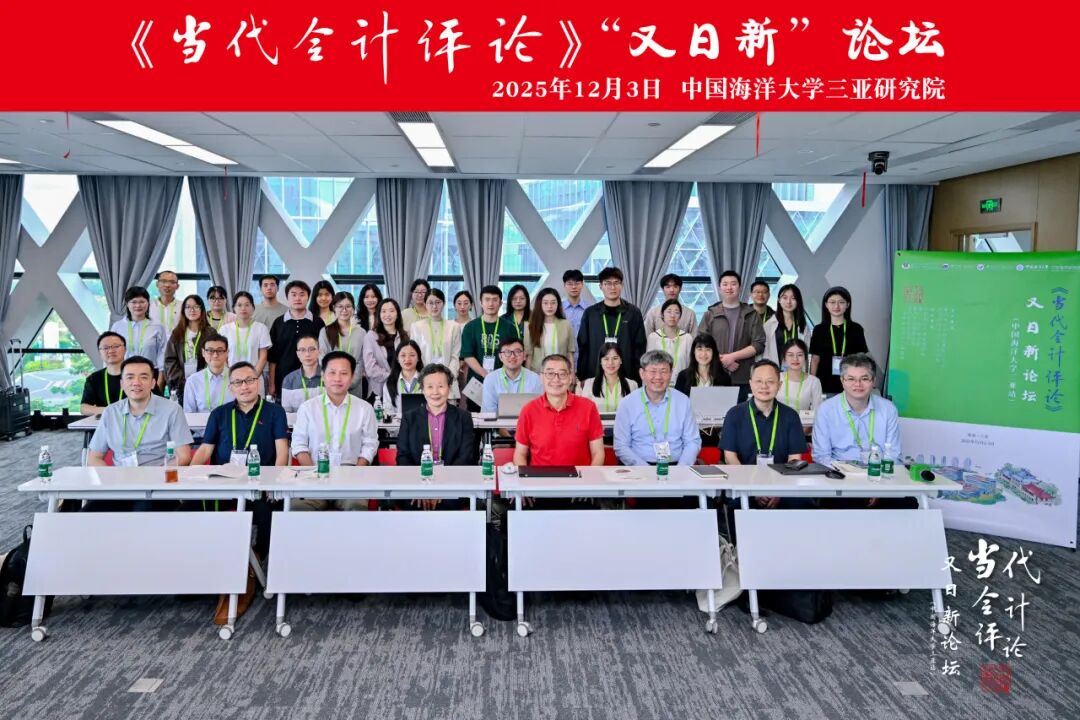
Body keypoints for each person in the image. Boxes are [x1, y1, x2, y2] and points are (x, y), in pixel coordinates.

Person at [812, 353, 905, 509]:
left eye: (864, 378)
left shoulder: (888, 409)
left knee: (906, 503)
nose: (858, 384)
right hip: (841, 479)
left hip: (879, 476)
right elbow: (822, 457)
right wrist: (850, 483)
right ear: (842, 381)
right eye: (851, 379)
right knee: (841, 503)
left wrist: (879, 486)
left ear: (873, 381)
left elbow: (894, 454)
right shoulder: (826, 410)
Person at [290, 351, 378, 511]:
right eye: (332, 373)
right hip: (314, 474)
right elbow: (298, 444)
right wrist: (313, 474)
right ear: (323, 376)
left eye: (344, 373)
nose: (337, 378)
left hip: (350, 476)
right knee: (298, 508)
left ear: (352, 377)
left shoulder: (365, 409)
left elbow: (370, 445)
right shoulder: (308, 408)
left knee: (356, 508)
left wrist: (356, 474)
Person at [720, 360, 810, 510]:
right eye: (759, 381)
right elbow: (730, 458)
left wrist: (780, 490)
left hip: (782, 486)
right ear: (750, 384)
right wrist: (752, 490)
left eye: (770, 382)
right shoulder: (734, 414)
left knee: (803, 504)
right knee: (735, 506)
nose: (764, 386)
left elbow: (794, 459)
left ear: (779, 385)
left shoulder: (790, 416)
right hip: (744, 486)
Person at [87, 355, 194, 469]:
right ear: (122, 384)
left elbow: (184, 456)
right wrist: (112, 477)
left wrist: (157, 475)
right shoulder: (111, 412)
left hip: (158, 475)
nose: (136, 383)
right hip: (121, 476)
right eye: (130, 377)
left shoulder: (172, 410)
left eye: (143, 377)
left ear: (153, 383)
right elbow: (94, 457)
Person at [191, 361, 289, 467]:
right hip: (224, 475)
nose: (244, 387)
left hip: (262, 474)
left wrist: (275, 476)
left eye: (249, 380)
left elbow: (282, 452)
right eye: (238, 382)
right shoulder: (218, 414)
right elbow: (205, 449)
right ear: (231, 388)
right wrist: (190, 473)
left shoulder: (276, 412)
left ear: (258, 382)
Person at [514, 354, 604, 467]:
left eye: (562, 374)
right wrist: (525, 477)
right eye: (550, 373)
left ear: (570, 377)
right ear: (541, 378)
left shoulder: (588, 408)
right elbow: (520, 454)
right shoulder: (528, 410)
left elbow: (598, 453)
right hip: (539, 477)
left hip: (580, 477)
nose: (556, 379)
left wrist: (589, 477)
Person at [613, 350, 701, 467]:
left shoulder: (683, 401)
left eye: (663, 371)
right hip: (638, 468)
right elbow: (621, 445)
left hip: (676, 466)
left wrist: (681, 469)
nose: (658, 377)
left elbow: (692, 441)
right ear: (642, 373)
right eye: (653, 371)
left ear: (671, 373)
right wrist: (645, 470)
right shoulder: (627, 404)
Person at [697, 270, 766, 400]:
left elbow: (759, 344)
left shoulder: (752, 314)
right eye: (725, 284)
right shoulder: (710, 314)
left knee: (741, 412)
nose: (729, 287)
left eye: (733, 284)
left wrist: (732, 357)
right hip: (714, 375)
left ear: (740, 287)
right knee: (714, 411)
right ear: (719, 288)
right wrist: (722, 360)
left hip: (743, 377)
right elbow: (701, 342)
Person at [576, 266, 646, 382]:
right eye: (607, 283)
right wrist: (582, 376)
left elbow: (640, 347)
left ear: (622, 285)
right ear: (600, 286)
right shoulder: (590, 313)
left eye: (616, 283)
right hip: (595, 374)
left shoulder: (633, 313)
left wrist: (638, 377)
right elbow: (583, 346)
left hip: (627, 376)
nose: (612, 287)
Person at [459, 285, 516, 408]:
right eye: (487, 299)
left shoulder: (509, 327)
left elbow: (514, 354)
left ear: (500, 303)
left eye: (495, 300)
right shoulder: (471, 327)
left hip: (503, 381)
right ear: (481, 302)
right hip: (477, 382)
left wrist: (496, 376)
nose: (491, 303)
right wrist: (485, 374)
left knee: (503, 415)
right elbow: (467, 355)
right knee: (475, 417)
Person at [809, 286, 869, 396]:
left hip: (851, 384)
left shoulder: (856, 329)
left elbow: (861, 358)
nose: (836, 306)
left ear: (848, 305)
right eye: (832, 302)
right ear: (826, 305)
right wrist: (811, 383)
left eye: (841, 302)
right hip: (824, 384)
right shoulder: (819, 330)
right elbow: (815, 359)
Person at [268, 280, 324, 398]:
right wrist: (271, 383)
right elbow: (273, 358)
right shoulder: (279, 323)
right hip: (283, 379)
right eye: (293, 295)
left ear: (308, 297)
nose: (298, 298)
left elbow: (322, 353)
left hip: (313, 381)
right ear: (287, 298)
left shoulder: (317, 322)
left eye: (302, 294)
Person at [409, 288, 462, 398]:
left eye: (438, 302)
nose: (434, 306)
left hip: (448, 382)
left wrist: (447, 378)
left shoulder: (454, 327)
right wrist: (425, 377)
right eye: (430, 303)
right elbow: (415, 355)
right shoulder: (416, 327)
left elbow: (455, 356)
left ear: (444, 304)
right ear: (425, 304)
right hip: (425, 381)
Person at [163, 294, 212, 401]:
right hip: (181, 385)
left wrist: (200, 379)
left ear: (202, 309)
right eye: (188, 307)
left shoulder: (210, 332)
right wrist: (181, 380)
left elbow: (213, 358)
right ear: (183, 310)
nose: (192, 310)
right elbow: (170, 360)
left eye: (196, 306)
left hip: (204, 383)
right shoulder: (177, 333)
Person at [110, 286, 166, 377]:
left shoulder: (157, 326)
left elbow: (162, 353)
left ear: (148, 303)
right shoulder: (117, 327)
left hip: (150, 373)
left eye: (142, 302)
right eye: (134, 302)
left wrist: (160, 378)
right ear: (127, 304)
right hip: (124, 373)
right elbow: (111, 351)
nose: (138, 306)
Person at [318, 291, 366, 396]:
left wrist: (349, 383)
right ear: (334, 308)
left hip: (354, 388)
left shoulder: (361, 333)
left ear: (353, 309)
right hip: (332, 386)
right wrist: (336, 381)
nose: (344, 310)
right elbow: (322, 359)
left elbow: (361, 361)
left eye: (348, 306)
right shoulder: (325, 331)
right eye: (340, 306)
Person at [362, 298, 408, 403]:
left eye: (391, 311)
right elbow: (370, 368)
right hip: (378, 391)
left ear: (397, 314)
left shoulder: (404, 336)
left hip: (401, 388)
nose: (387, 314)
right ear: (379, 315)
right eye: (383, 311)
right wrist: (392, 376)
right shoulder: (371, 336)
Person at [219, 291, 271, 382]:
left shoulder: (261, 328)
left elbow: (263, 357)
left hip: (254, 377)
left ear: (253, 308)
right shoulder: (225, 329)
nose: (243, 308)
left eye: (247, 305)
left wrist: (252, 378)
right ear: (234, 308)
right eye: (239, 305)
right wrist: (231, 376)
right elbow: (221, 355)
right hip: (231, 378)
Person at [481, 336, 542, 413]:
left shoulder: (535, 379)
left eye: (517, 352)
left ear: (524, 356)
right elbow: (489, 413)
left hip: (528, 420)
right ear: (500, 357)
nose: (512, 356)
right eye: (507, 352)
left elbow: (539, 410)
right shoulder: (491, 379)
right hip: (497, 421)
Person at [577, 343, 638, 413]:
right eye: (606, 359)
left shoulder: (632, 385)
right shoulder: (589, 384)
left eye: (615, 358)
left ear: (621, 360)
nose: (610, 363)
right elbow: (584, 412)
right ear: (600, 361)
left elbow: (635, 412)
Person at [182, 333, 235, 412]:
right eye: (210, 350)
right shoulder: (193, 381)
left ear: (227, 352)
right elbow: (188, 414)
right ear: (203, 352)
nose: (215, 355)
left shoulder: (237, 378)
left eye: (220, 350)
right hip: (201, 420)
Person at [80, 331, 130, 415]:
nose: (111, 351)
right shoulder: (94, 378)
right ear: (100, 352)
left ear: (125, 349)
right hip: (105, 421)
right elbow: (84, 408)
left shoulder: (138, 374)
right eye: (105, 348)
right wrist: (111, 410)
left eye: (116, 346)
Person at [525, 288, 574, 371]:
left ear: (558, 304)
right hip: (538, 373)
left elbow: (570, 353)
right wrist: (528, 376)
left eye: (553, 303)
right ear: (539, 304)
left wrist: (572, 373)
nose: (549, 306)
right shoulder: (530, 326)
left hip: (560, 372)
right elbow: (529, 356)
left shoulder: (566, 324)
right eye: (545, 303)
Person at [763, 284, 812, 365]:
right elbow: (765, 352)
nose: (788, 302)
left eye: (793, 298)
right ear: (779, 300)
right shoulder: (769, 325)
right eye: (785, 298)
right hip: (774, 369)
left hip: (797, 368)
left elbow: (806, 350)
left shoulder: (803, 325)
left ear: (798, 301)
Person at [645, 299, 693, 379]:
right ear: (662, 314)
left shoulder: (687, 338)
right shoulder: (653, 337)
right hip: (659, 381)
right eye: (669, 312)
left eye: (676, 312)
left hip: (682, 382)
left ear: (680, 316)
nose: (672, 315)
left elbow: (690, 364)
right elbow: (649, 364)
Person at [777, 339, 823, 413]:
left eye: (800, 355)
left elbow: (817, 411)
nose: (795, 359)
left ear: (805, 358)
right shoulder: (776, 378)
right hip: (778, 420)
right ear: (784, 358)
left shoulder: (813, 382)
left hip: (803, 420)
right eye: (790, 355)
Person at [280, 333, 323, 412]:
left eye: (311, 349)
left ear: (319, 351)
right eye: (302, 350)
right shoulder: (289, 380)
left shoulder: (330, 376)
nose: (307, 354)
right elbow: (287, 413)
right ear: (297, 354)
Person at [381, 340, 424, 416]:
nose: (407, 359)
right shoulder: (390, 384)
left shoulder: (427, 381)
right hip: (398, 423)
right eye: (403, 355)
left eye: (412, 355)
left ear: (418, 358)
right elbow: (387, 413)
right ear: (397, 358)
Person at [561, 269, 591, 338]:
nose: (574, 287)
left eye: (577, 283)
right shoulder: (558, 308)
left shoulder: (589, 308)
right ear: (564, 285)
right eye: (570, 284)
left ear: (582, 285)